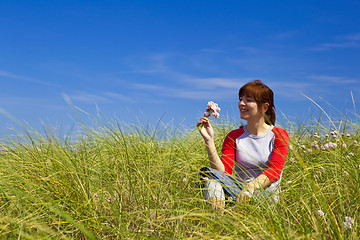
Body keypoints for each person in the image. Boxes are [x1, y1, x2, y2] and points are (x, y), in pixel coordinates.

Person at [197, 80, 289, 210]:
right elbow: (223, 173)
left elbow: (275, 171)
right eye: (240, 99)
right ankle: (218, 222)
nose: (241, 103)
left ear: (264, 107)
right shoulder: (233, 136)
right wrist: (209, 141)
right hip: (237, 192)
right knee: (211, 179)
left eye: (248, 100)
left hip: (264, 196)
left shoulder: (279, 135)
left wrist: (250, 187)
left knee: (209, 174)